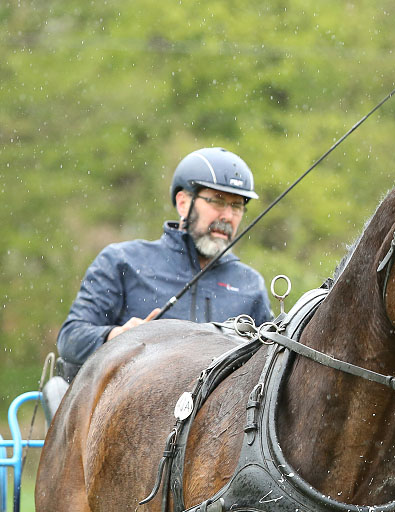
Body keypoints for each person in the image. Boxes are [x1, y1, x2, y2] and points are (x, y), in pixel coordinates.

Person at [55, 147, 273, 382]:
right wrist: (116, 336)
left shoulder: (250, 284)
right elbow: (70, 339)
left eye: (237, 206)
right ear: (182, 203)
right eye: (218, 202)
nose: (228, 217)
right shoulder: (121, 261)